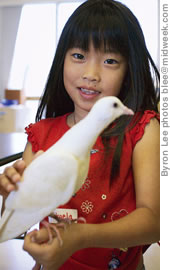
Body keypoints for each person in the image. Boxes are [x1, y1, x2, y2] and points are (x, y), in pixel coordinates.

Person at [0, 0, 160, 269]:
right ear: (61, 59)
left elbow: (156, 222)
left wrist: (80, 237)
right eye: (78, 56)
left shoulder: (142, 131)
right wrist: (11, 195)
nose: (91, 74)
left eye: (110, 60)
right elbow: (25, 215)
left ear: (129, 71)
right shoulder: (41, 136)